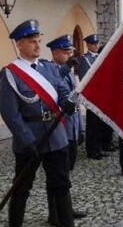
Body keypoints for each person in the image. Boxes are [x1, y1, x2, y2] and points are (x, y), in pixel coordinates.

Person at [0, 20, 77, 227]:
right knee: (22, 187)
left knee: (61, 184)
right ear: (19, 44)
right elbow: (10, 113)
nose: (37, 46)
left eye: (38, 41)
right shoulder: (10, 74)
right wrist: (27, 141)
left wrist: (67, 102)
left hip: (56, 135)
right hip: (30, 139)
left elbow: (61, 90)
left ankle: (63, 222)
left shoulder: (49, 67)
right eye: (32, 42)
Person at [46, 35, 88, 224]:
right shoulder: (51, 72)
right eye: (65, 52)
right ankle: (55, 214)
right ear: (55, 53)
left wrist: (80, 130)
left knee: (66, 173)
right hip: (60, 128)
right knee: (57, 175)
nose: (70, 55)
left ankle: (65, 209)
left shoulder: (70, 72)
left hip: (72, 127)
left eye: (71, 51)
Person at [77, 34, 108, 160]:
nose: (96, 46)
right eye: (93, 44)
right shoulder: (85, 59)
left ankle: (99, 147)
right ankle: (92, 150)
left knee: (100, 124)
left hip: (101, 96)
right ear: (88, 45)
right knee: (93, 125)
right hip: (93, 97)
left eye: (97, 43)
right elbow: (85, 79)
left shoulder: (99, 57)